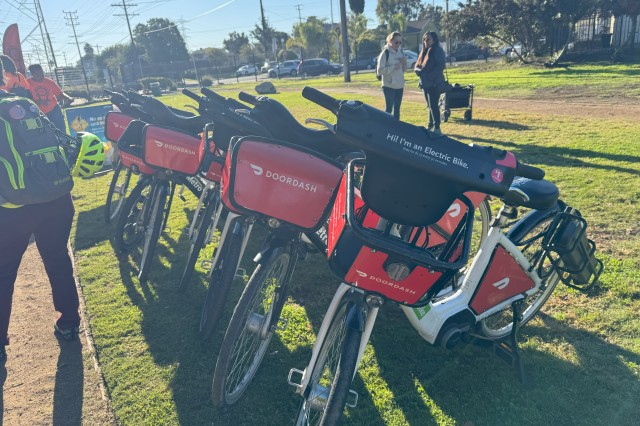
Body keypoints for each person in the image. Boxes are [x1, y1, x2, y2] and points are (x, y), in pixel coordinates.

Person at [1, 62, 105, 364]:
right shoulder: (24, 104)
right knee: (58, 260)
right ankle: (69, 323)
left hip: (10, 209)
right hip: (56, 197)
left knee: (4, 273)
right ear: (5, 77)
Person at [415, 32, 447, 134]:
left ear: (434, 40)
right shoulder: (425, 51)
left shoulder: (436, 50)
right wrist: (418, 71)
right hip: (425, 84)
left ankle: (437, 128)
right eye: (424, 39)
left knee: (433, 105)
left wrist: (429, 77)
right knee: (429, 105)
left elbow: (441, 66)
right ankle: (430, 125)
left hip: (434, 83)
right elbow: (419, 65)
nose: (425, 41)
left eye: (428, 39)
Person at [27, 63, 74, 132]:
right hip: (38, 113)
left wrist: (69, 98)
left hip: (54, 109)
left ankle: (65, 142)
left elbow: (60, 94)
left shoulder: (49, 82)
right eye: (37, 74)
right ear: (32, 74)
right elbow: (26, 99)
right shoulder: (27, 83)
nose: (40, 75)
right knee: (46, 132)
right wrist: (39, 102)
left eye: (41, 72)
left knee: (61, 130)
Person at [376, 31, 407, 120]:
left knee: (397, 109)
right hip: (388, 86)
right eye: (396, 42)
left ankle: (396, 128)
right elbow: (379, 71)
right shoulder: (385, 53)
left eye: (400, 42)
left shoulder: (401, 52)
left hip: (399, 85)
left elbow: (403, 70)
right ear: (390, 41)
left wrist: (404, 64)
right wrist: (393, 67)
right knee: (389, 109)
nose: (398, 44)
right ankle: (386, 128)